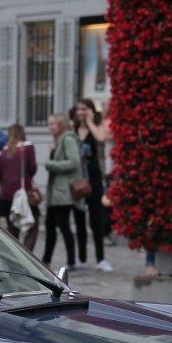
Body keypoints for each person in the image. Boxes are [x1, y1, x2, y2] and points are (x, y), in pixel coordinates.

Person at [72, 99, 111, 271]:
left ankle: (100, 259)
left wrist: (89, 121)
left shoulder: (97, 126)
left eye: (84, 109)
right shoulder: (72, 130)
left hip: (93, 179)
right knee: (79, 219)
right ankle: (81, 258)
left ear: (90, 111)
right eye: (79, 109)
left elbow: (101, 138)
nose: (80, 112)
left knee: (96, 220)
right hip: (77, 180)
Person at [41, 113, 81, 270]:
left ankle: (71, 261)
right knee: (50, 226)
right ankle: (46, 261)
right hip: (55, 192)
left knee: (64, 226)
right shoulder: (58, 141)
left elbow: (74, 162)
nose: (50, 127)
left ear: (61, 125)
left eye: (53, 124)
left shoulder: (68, 139)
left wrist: (51, 164)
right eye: (49, 124)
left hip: (63, 192)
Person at [0, 123, 38, 240]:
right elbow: (32, 169)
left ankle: (14, 250)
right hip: (24, 192)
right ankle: (26, 251)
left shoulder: (4, 151)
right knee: (33, 226)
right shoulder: (28, 148)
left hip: (7, 195)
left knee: (12, 228)